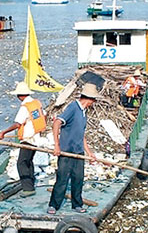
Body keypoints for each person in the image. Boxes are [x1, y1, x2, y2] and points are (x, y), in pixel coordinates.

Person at [47, 83, 99, 214]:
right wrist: (57, 145)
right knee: (62, 179)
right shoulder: (73, 108)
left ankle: (77, 204)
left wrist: (90, 153)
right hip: (66, 151)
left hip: (78, 152)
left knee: (78, 179)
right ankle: (54, 205)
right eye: (93, 100)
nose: (93, 103)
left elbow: (81, 136)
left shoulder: (83, 113)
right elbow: (57, 122)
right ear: (89, 99)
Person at [0, 82, 46, 197]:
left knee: (22, 163)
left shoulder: (25, 107)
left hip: (28, 139)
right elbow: (44, 115)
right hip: (36, 137)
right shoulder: (36, 103)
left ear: (20, 95)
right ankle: (31, 180)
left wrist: (3, 132)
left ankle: (28, 189)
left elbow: (17, 124)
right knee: (28, 161)